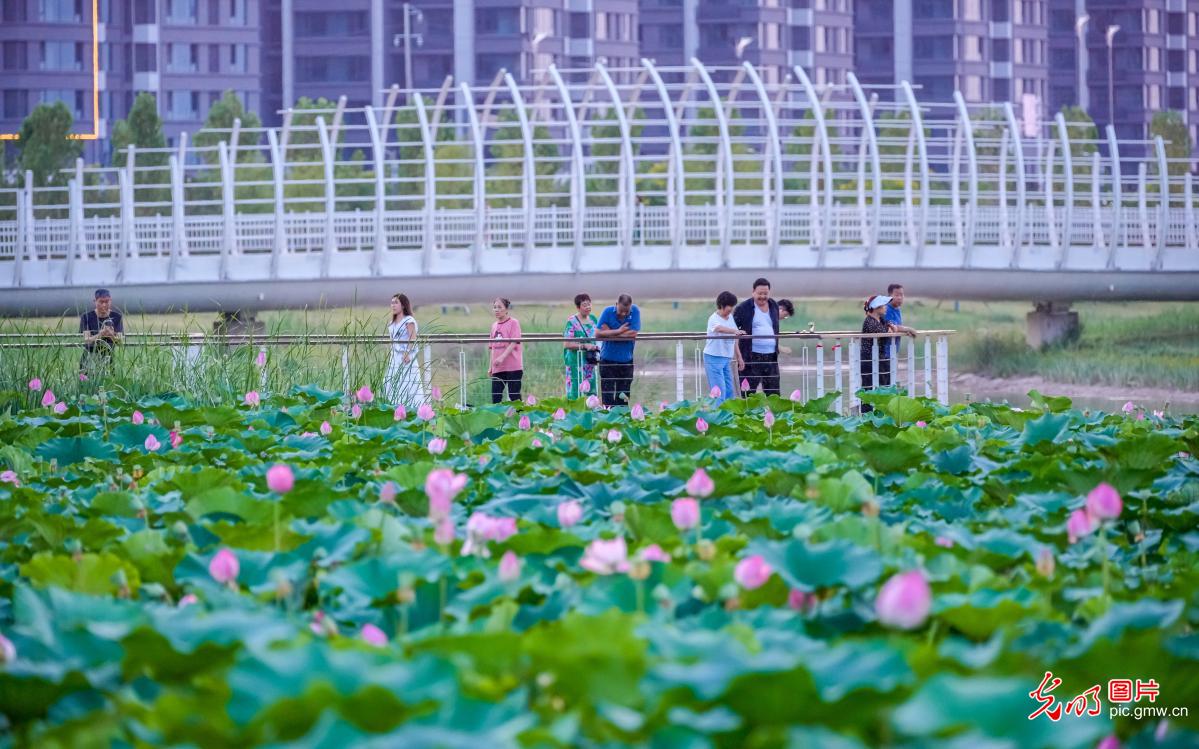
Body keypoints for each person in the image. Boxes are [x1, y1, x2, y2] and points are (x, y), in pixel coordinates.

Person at [733, 278, 781, 397]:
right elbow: (733, 328)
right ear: (753, 292)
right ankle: (748, 415)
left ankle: (774, 415)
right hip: (750, 357)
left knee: (774, 393)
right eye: (760, 293)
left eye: (765, 293)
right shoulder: (743, 308)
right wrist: (738, 356)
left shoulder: (773, 305)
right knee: (748, 393)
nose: (762, 296)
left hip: (771, 357)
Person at [595, 294, 641, 407]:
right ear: (616, 304)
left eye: (627, 311)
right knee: (608, 397)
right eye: (621, 311)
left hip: (626, 361)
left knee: (623, 397)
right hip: (607, 360)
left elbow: (633, 333)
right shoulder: (607, 312)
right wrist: (619, 331)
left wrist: (609, 332)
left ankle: (622, 422)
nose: (624, 314)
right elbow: (597, 334)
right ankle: (608, 421)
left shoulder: (635, 311)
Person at [384, 293, 424, 408]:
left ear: (403, 305)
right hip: (394, 358)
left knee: (408, 384)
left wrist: (407, 353)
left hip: (406, 357)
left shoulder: (408, 320)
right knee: (392, 383)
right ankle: (395, 408)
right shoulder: (391, 323)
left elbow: (412, 338)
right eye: (392, 303)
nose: (393, 305)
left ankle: (412, 409)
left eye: (396, 302)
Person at [704, 291, 744, 404]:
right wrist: (735, 331)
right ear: (722, 305)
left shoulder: (730, 317)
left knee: (729, 390)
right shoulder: (713, 318)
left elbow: (735, 338)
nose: (731, 309)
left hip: (727, 358)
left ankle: (728, 418)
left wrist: (739, 357)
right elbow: (719, 328)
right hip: (713, 358)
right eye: (729, 306)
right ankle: (718, 418)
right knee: (719, 391)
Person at [860, 295, 897, 413]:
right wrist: (889, 328)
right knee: (868, 386)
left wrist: (891, 325)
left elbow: (889, 325)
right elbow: (884, 332)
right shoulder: (869, 322)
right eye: (883, 305)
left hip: (880, 357)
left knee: (885, 383)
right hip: (869, 358)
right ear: (876, 307)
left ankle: (882, 411)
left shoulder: (880, 320)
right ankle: (867, 414)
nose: (886, 307)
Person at [563, 293, 600, 399]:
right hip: (576, 362)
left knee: (591, 389)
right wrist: (584, 346)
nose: (588, 307)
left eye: (589, 304)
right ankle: (575, 413)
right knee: (576, 388)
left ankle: (591, 414)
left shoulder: (593, 319)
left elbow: (597, 336)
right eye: (584, 305)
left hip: (590, 361)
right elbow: (567, 343)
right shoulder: (572, 321)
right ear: (578, 307)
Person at [79, 288, 123, 373]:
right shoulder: (86, 317)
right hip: (89, 357)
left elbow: (120, 341)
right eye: (101, 302)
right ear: (95, 301)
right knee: (86, 384)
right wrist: (100, 334)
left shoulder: (117, 317)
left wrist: (111, 335)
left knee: (109, 384)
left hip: (108, 357)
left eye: (107, 302)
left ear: (111, 301)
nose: (104, 305)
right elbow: (87, 340)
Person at [488, 297, 523, 403]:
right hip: (498, 367)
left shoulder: (513, 323)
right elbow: (492, 347)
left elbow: (514, 342)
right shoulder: (494, 326)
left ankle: (520, 418)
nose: (496, 310)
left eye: (499, 307)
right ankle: (499, 418)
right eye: (494, 307)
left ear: (506, 309)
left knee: (514, 397)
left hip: (513, 366)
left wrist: (502, 357)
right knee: (496, 397)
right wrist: (491, 367)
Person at [883, 283, 917, 358]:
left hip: (893, 351)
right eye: (896, 295)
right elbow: (892, 326)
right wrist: (908, 329)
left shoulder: (897, 309)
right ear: (889, 296)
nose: (899, 298)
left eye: (901, 295)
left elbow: (897, 327)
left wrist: (905, 331)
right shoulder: (886, 309)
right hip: (884, 353)